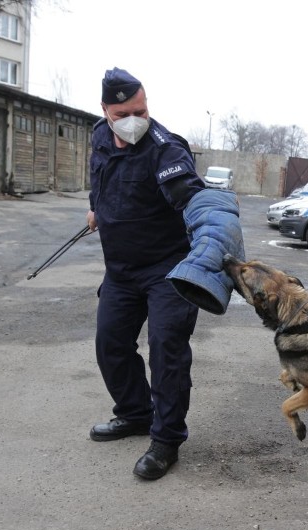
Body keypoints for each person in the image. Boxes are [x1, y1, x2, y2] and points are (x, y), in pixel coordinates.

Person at [87, 67, 206, 480]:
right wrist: (95, 208)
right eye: (123, 113)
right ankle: (136, 414)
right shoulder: (99, 137)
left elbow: (191, 196)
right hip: (120, 270)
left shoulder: (166, 148)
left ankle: (167, 439)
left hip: (167, 269)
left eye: (141, 108)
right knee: (111, 344)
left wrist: (214, 228)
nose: (135, 119)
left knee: (166, 349)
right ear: (105, 111)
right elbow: (98, 179)